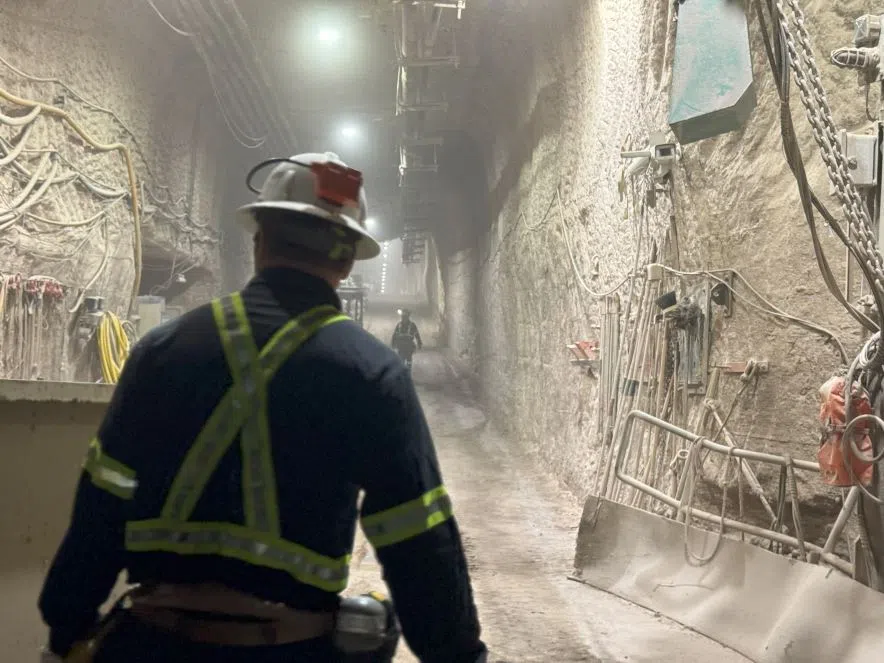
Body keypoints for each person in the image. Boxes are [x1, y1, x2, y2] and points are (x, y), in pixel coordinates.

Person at [38, 152, 488, 663]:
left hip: (148, 645)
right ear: (345, 262)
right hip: (292, 649)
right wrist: (458, 655)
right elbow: (419, 544)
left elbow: (101, 506)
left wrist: (66, 627)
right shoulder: (372, 374)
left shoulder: (160, 352)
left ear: (259, 241)